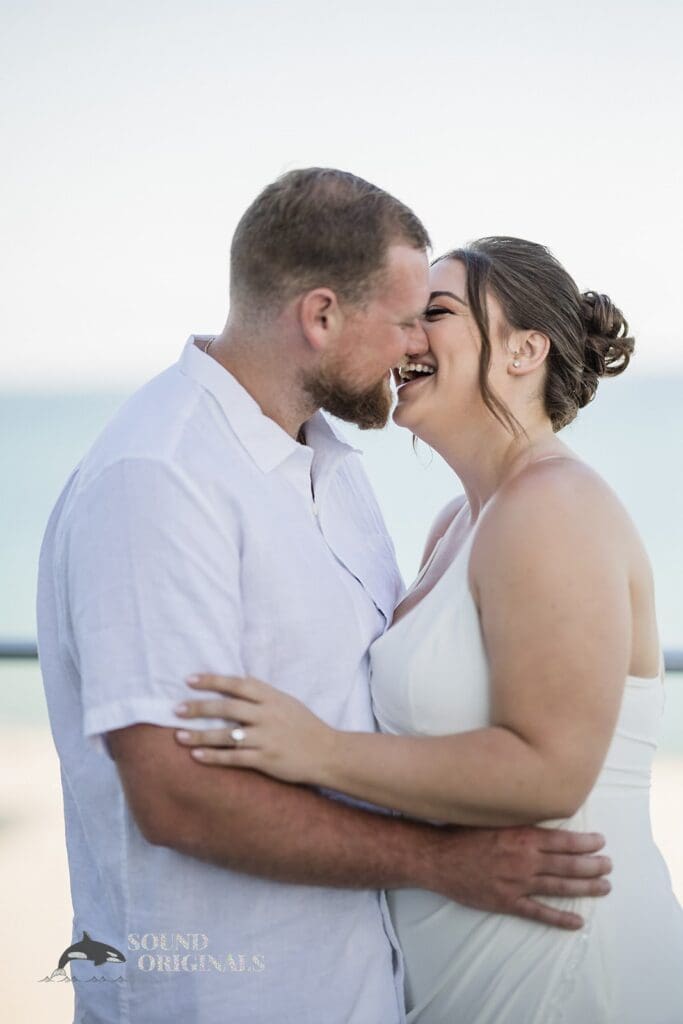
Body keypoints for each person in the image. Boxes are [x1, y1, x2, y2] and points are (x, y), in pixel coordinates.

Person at [37, 173, 611, 1024]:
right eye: (408, 316)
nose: (418, 341)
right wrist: (438, 863)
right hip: (223, 997)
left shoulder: (332, 468)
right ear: (320, 316)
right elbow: (175, 794)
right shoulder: (158, 479)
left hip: (358, 989)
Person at [174, 236, 683, 1022]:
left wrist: (319, 749)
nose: (406, 339)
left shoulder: (554, 508)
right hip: (468, 960)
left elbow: (550, 773)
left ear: (524, 349)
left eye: (434, 314)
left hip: (562, 960)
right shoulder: (458, 522)